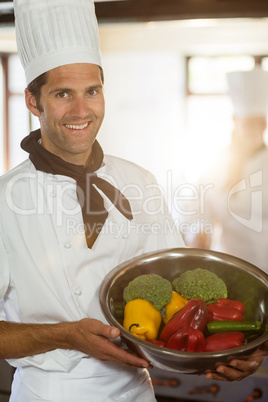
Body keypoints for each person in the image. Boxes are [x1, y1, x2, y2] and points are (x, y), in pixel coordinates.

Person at [0, 0, 267, 400]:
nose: (81, 109)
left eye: (92, 91)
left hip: (137, 392)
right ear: (33, 101)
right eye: (62, 94)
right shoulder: (6, 200)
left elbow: (178, 300)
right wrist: (67, 335)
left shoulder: (138, 180)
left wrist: (226, 353)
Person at [188, 66, 268, 274]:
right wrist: (201, 231)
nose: (256, 130)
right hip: (232, 266)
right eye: (249, 123)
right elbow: (199, 210)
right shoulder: (215, 163)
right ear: (235, 120)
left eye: (261, 123)